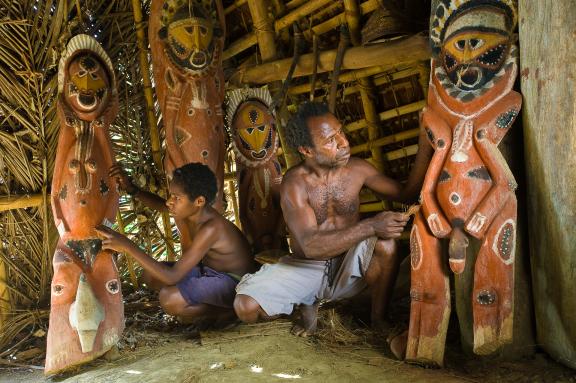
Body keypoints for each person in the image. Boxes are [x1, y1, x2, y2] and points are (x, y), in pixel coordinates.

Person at [233, 102, 432, 356]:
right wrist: (371, 224)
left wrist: (425, 144)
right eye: (330, 139)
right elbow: (311, 246)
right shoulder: (295, 183)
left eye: (341, 132)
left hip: (349, 264)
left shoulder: (358, 170)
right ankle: (304, 304)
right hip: (306, 268)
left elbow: (407, 193)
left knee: (386, 244)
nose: (344, 142)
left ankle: (378, 319)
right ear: (306, 150)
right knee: (246, 306)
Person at [96, 163, 255, 324]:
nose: (169, 202)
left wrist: (127, 246)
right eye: (171, 195)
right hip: (209, 272)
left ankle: (228, 311)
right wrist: (131, 189)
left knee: (169, 299)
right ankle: (204, 306)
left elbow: (172, 277)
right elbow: (159, 204)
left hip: (234, 283)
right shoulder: (190, 211)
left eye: (176, 198)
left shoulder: (211, 228)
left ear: (199, 201)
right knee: (150, 275)